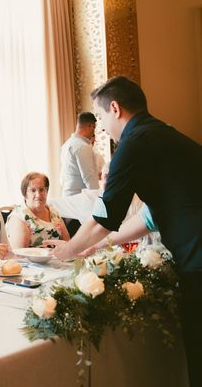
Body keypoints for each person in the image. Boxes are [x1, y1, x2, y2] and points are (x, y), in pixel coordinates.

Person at [48, 76, 202, 385]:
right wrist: (100, 246)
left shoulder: (134, 144)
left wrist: (68, 250)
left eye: (101, 116)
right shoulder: (164, 135)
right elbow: (149, 218)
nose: (101, 126)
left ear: (115, 108)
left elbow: (104, 216)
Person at [49, 162, 144, 225]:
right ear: (101, 178)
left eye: (115, 177)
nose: (111, 182)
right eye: (107, 176)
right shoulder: (89, 199)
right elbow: (52, 204)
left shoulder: (137, 200)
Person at [5, 172, 70, 249]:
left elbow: (67, 243)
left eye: (41, 190)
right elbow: (20, 254)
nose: (38, 195)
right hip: (29, 261)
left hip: (57, 259)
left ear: (47, 191)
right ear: (25, 194)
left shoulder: (53, 212)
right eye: (33, 190)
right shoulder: (19, 217)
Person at [60, 112, 99, 196]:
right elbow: (89, 177)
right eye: (94, 128)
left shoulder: (66, 145)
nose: (93, 132)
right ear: (90, 126)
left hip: (67, 195)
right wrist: (98, 198)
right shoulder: (82, 147)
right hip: (79, 197)